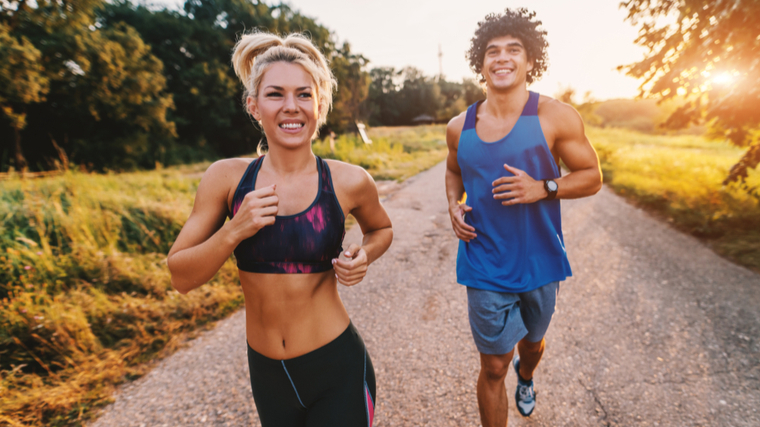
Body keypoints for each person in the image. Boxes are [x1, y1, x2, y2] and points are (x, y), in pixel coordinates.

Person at [167, 31, 392, 427]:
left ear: (319, 105)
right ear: (254, 106)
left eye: (304, 94)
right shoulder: (226, 179)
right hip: (268, 377)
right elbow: (180, 276)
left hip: (336, 367)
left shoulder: (349, 181)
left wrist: (365, 255)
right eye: (276, 94)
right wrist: (233, 230)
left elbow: (381, 229)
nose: (292, 107)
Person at [445, 8, 602, 426]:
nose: (502, 58)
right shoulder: (459, 126)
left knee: (531, 346)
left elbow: (592, 177)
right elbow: (454, 169)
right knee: (493, 367)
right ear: (480, 63)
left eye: (514, 49)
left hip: (539, 261)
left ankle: (527, 376)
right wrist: (452, 203)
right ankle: (508, 376)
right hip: (483, 262)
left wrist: (544, 187)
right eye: (492, 51)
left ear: (531, 60)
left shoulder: (555, 116)